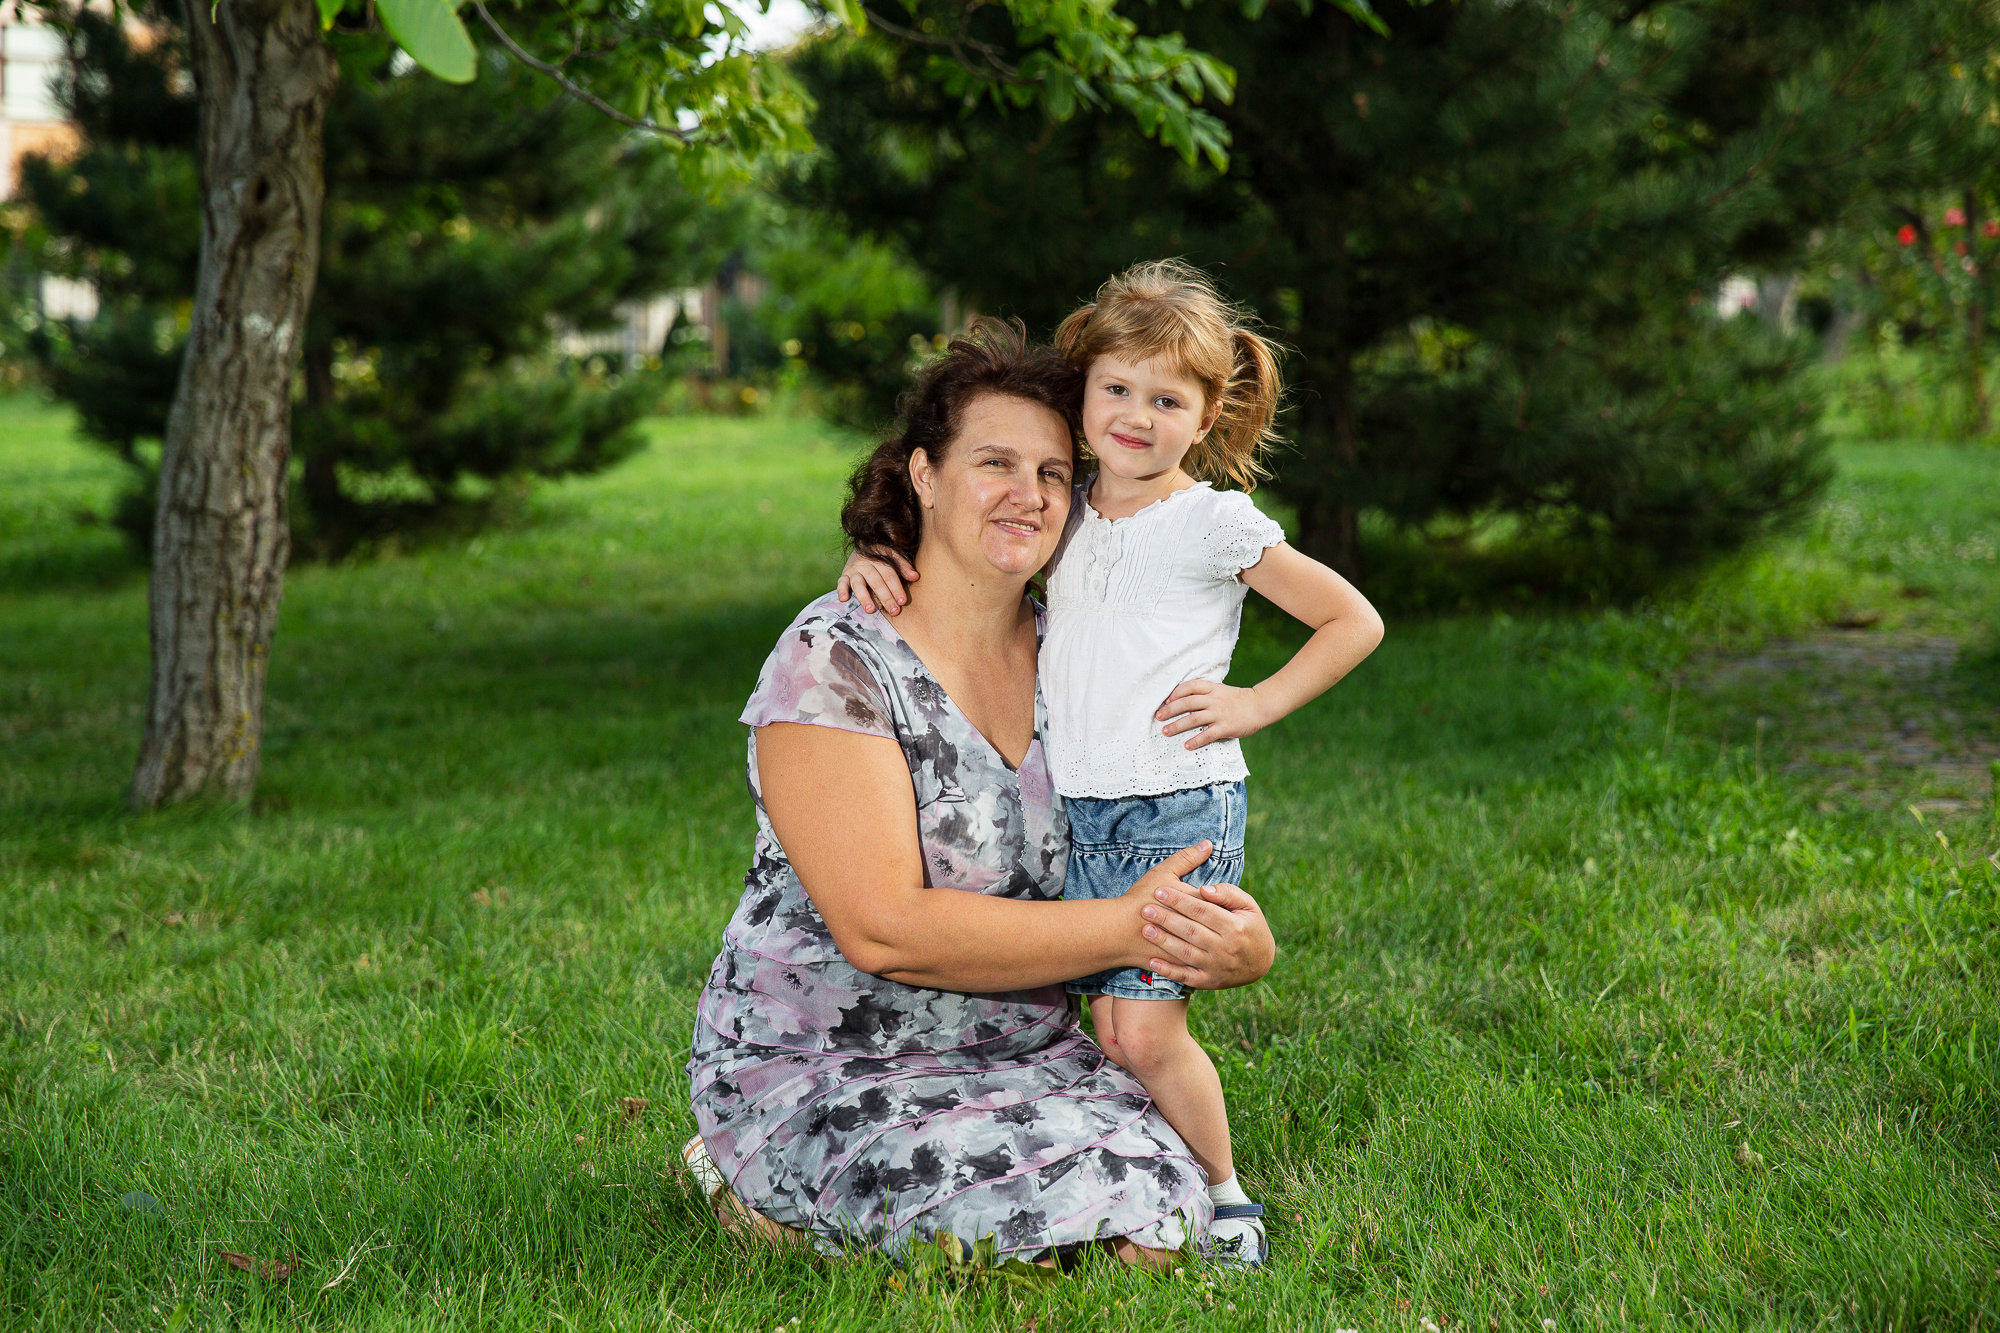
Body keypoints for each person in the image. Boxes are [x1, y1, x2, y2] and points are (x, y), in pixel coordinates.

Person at [684, 318, 1279, 1269]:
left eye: (1053, 473)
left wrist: (1230, 944)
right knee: (1015, 1241)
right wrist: (1137, 929)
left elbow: (1153, 837)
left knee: (1161, 1223)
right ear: (923, 474)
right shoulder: (834, 660)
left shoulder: (1080, 658)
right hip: (830, 1056)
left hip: (1023, 1049)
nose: (1027, 494)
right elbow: (883, 929)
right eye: (994, 463)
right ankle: (743, 1175)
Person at [838, 261, 1385, 1265]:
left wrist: (1255, 702)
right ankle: (1132, 1166)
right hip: (1083, 806)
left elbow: (1352, 619)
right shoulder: (1070, 508)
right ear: (1083, 393)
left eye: (1167, 400)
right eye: (1118, 389)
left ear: (1207, 414)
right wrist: (869, 553)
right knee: (1106, 1024)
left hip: (1172, 801)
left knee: (1141, 1033)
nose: (1137, 416)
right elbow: (958, 540)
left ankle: (1226, 1198)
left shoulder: (1212, 522)